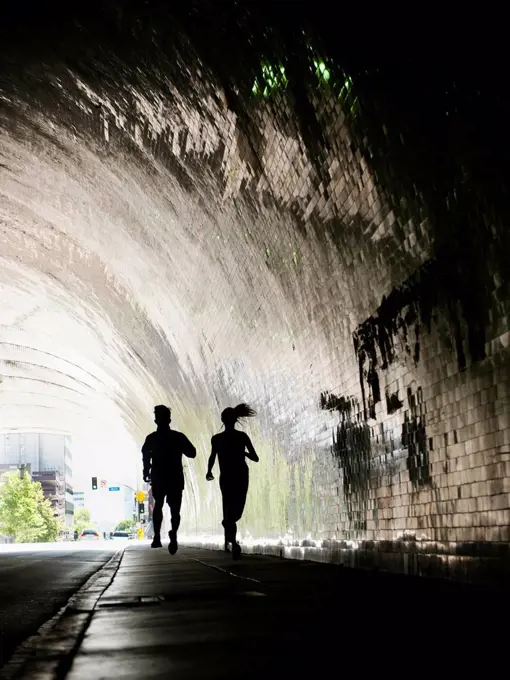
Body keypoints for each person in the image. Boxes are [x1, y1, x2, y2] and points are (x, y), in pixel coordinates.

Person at [206, 403, 259, 559]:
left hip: (227, 476)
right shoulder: (241, 437)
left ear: (223, 420)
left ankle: (229, 529)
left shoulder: (217, 439)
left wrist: (209, 471)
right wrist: (243, 452)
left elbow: (212, 457)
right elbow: (255, 458)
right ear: (235, 420)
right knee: (236, 510)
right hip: (241, 475)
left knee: (231, 511)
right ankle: (234, 543)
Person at [142, 405, 196, 553]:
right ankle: (173, 533)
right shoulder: (178, 437)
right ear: (169, 420)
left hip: (159, 477)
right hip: (175, 477)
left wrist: (146, 471)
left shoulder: (151, 438)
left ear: (155, 421)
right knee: (175, 510)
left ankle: (157, 537)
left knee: (158, 505)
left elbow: (145, 456)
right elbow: (193, 453)